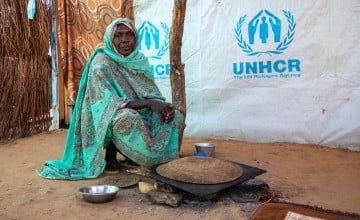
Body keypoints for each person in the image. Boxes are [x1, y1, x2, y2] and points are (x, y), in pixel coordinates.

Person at [37, 18, 185, 180]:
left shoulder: (139, 60)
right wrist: (150, 103)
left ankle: (143, 157)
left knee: (175, 115)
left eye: (130, 34)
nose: (125, 39)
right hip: (105, 114)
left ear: (136, 37)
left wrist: (162, 108)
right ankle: (111, 156)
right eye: (118, 35)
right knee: (126, 117)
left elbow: (149, 93)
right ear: (110, 38)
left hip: (137, 111)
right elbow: (105, 102)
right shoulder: (101, 62)